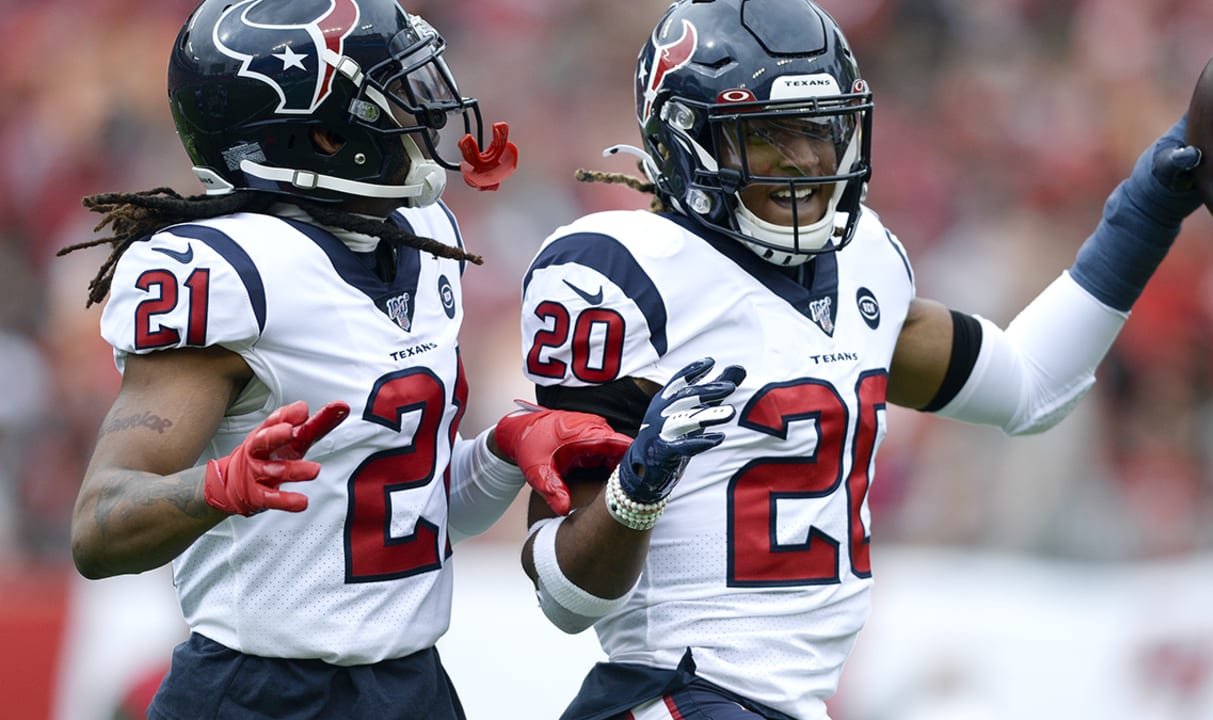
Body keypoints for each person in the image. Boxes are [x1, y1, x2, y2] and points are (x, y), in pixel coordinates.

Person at [513, 0, 1206, 718]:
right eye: (770, 135)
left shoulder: (862, 261)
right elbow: (566, 600)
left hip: (787, 702)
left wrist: (1148, 208)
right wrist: (638, 485)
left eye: (822, 130)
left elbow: (1034, 386)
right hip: (672, 692)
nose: (809, 162)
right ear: (686, 141)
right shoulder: (619, 276)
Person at [61, 1, 732, 717]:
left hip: (410, 686)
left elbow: (405, 514)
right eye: (394, 95)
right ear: (323, 136)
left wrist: (504, 449)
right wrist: (218, 486)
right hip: (259, 694)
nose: (425, 111)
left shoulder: (420, 238)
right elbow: (99, 528)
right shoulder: (231, 275)